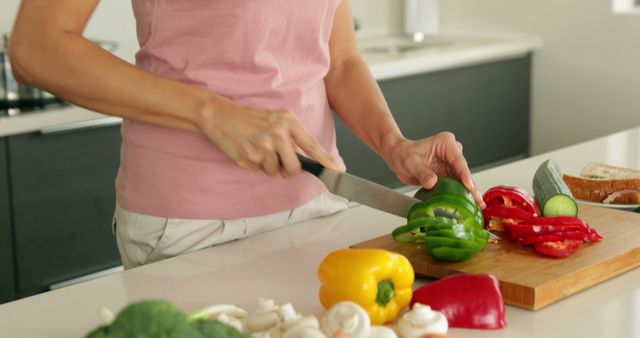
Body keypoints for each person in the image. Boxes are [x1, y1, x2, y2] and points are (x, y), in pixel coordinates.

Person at [10, 0, 485, 269]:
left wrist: (393, 143)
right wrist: (212, 113)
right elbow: (37, 49)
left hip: (317, 204)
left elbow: (338, 59)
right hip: (191, 227)